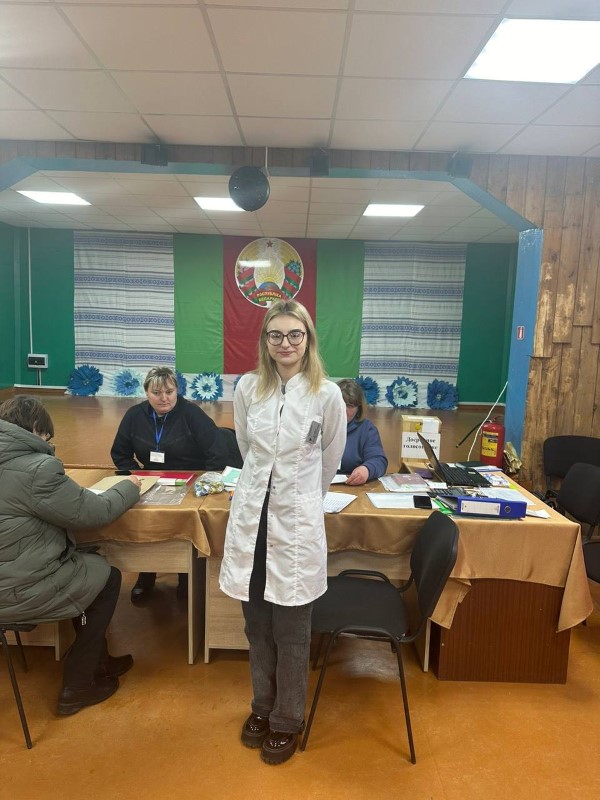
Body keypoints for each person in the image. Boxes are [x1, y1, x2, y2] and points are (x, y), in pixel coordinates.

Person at [219, 299, 347, 766]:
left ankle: (288, 718)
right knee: (257, 627)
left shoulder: (327, 395)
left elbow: (329, 460)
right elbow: (246, 448)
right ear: (265, 341)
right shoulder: (248, 388)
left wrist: (300, 501)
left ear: (308, 339)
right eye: (276, 335)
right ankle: (262, 706)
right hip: (253, 522)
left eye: (295, 334)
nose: (286, 343)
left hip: (295, 526)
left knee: (292, 631)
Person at [0, 395, 142, 716]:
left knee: (85, 564)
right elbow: (95, 511)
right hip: (17, 591)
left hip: (10, 580)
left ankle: (99, 661)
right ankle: (78, 684)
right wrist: (128, 486)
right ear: (34, 428)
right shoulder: (38, 470)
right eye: (45, 435)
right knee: (106, 578)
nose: (46, 442)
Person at [111, 366, 239, 601]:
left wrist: (204, 481)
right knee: (143, 519)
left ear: (177, 391)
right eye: (156, 393)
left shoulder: (192, 414)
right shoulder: (134, 416)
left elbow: (217, 451)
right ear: (146, 393)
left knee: (184, 519)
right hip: (152, 480)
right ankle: (146, 573)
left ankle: (185, 576)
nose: (164, 398)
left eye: (169, 392)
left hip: (191, 480)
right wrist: (138, 475)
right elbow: (120, 453)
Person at [337, 378, 388, 485]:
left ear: (358, 408)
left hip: (352, 485)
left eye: (350, 406)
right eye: (340, 404)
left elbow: (379, 460)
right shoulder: (319, 424)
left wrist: (366, 470)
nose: (344, 410)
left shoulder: (367, 429)